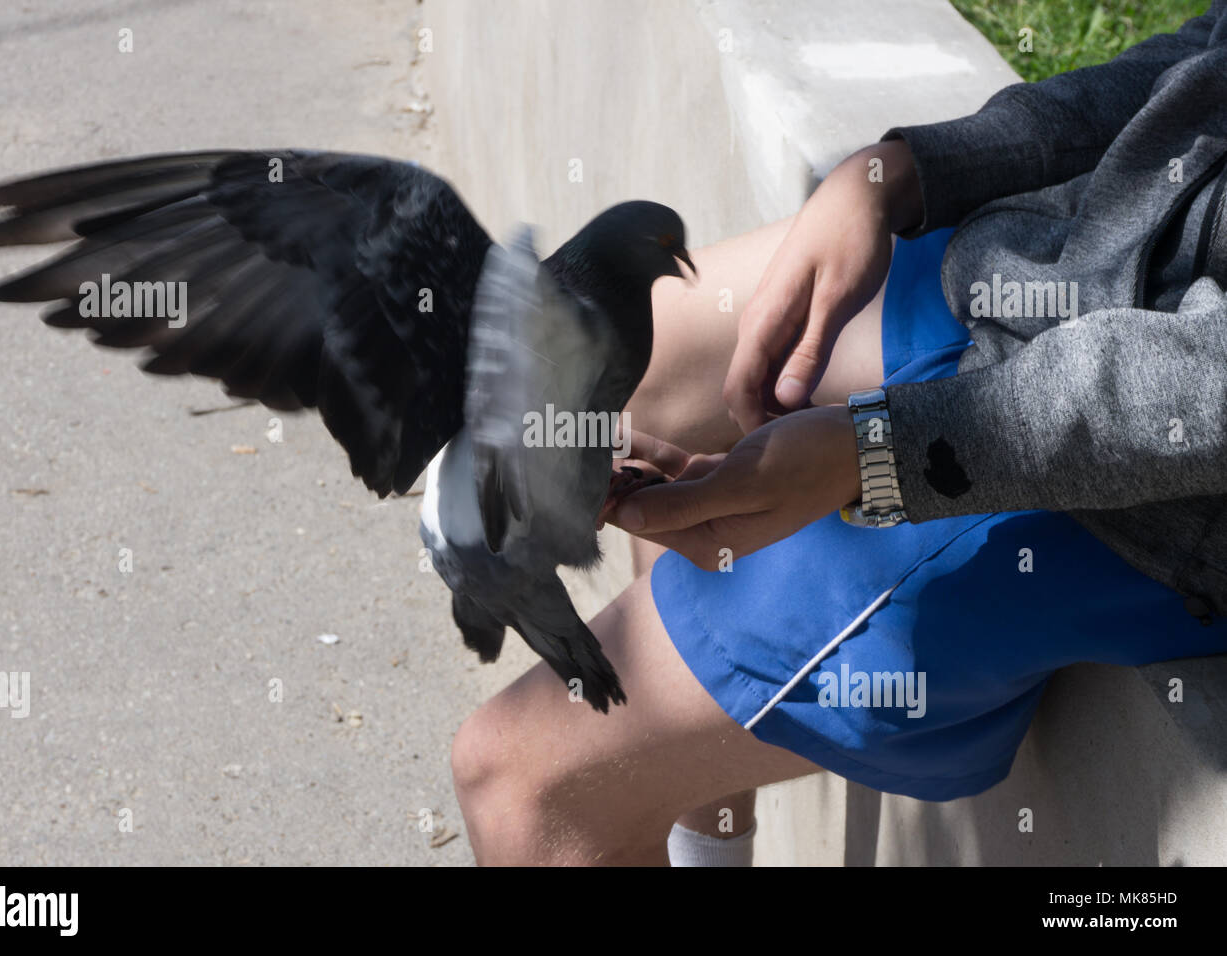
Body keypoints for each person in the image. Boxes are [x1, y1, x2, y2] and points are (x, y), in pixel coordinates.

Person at [451, 3, 1227, 865]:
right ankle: (699, 833)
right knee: (629, 366)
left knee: (518, 781)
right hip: (1056, 261)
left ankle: (638, 770)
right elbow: (1205, 60)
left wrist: (876, 457)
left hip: (1134, 476)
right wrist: (901, 171)